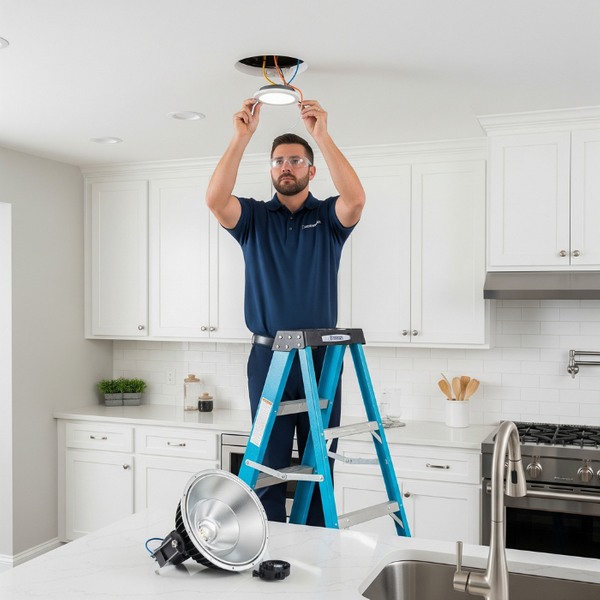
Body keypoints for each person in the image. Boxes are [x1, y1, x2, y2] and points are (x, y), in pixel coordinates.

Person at [205, 98, 365, 525]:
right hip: (268, 358)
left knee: (319, 467)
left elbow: (356, 199)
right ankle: (267, 554)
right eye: (278, 161)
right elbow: (215, 199)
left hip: (319, 360)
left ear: (311, 170)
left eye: (296, 160)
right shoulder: (254, 218)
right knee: (267, 469)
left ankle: (316, 561)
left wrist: (322, 136)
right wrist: (242, 137)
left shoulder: (328, 218)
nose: (286, 166)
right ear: (272, 170)